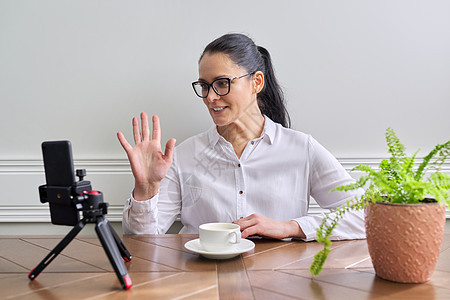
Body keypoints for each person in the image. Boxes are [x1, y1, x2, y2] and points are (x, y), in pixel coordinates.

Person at [117, 33, 365, 241]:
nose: (210, 97)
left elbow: (364, 216)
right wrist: (146, 189)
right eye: (204, 85)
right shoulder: (184, 156)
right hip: (199, 281)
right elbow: (143, 242)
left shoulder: (302, 149)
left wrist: (289, 227)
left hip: (280, 280)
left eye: (222, 83)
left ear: (256, 82)